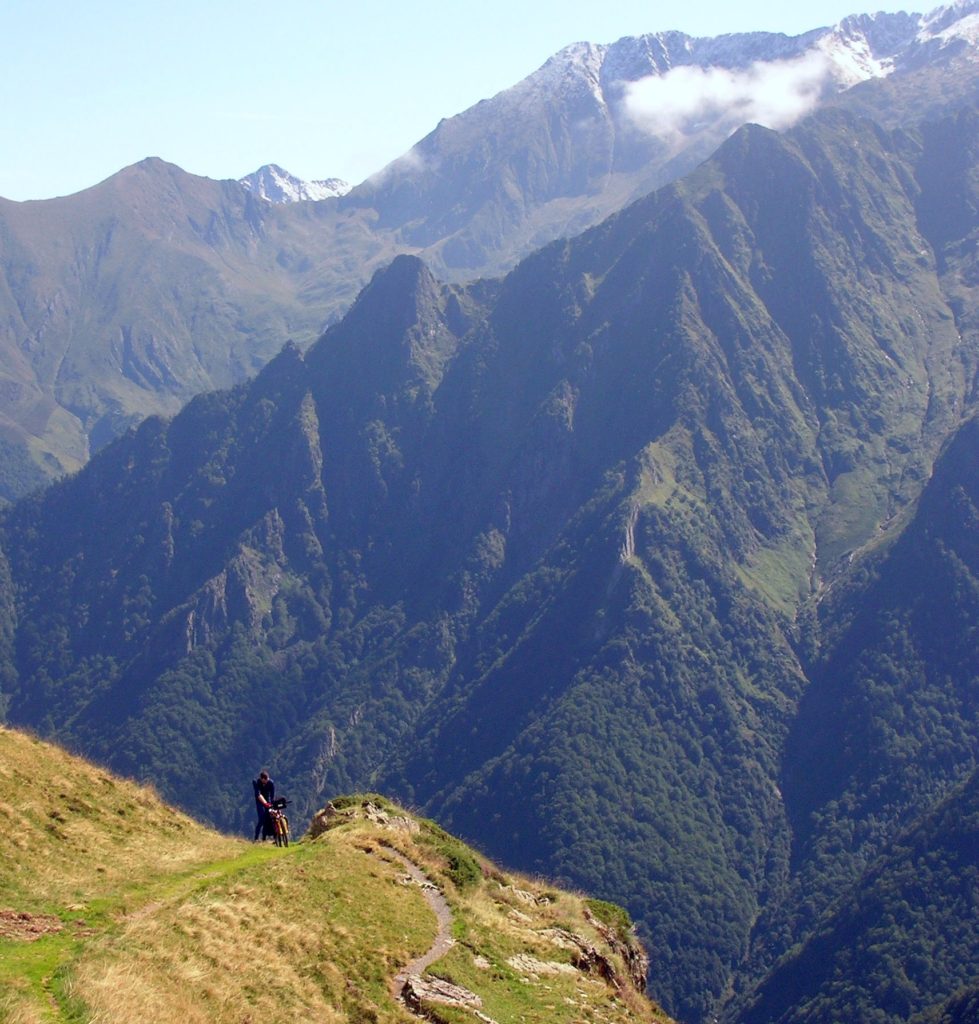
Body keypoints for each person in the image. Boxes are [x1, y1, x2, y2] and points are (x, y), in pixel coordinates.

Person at [253, 770, 275, 841]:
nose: (267, 781)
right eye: (265, 780)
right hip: (259, 802)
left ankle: (265, 838)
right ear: (262, 779)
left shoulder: (271, 783)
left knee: (269, 818)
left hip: (267, 800)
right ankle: (256, 838)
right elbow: (258, 795)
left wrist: (271, 804)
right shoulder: (257, 782)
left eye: (267, 780)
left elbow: (272, 795)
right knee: (262, 819)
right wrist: (265, 803)